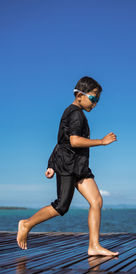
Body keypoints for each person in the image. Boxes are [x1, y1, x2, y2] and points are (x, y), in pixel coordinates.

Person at [17, 76, 119, 256]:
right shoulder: (75, 114)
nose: (95, 103)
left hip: (79, 166)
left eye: (98, 100)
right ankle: (26, 224)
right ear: (79, 95)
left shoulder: (73, 113)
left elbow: (60, 142)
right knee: (61, 206)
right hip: (68, 166)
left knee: (96, 201)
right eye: (93, 98)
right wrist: (102, 142)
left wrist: (50, 164)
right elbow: (73, 141)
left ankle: (93, 245)